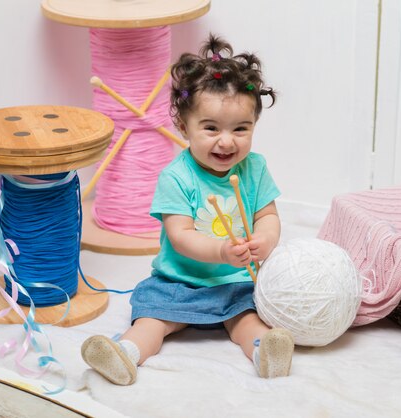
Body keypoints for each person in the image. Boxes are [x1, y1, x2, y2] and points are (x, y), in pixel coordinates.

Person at [81, 34, 294, 385]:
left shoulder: (254, 168)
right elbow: (180, 236)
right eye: (211, 128)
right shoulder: (176, 176)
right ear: (183, 127)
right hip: (178, 281)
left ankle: (264, 351)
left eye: (241, 129)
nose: (227, 141)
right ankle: (126, 353)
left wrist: (265, 240)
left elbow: (267, 215)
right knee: (151, 318)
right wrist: (222, 250)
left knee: (248, 318)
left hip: (236, 282)